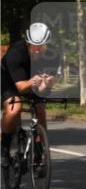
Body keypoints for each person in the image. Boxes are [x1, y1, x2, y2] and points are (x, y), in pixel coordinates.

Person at [2, 23, 54, 168]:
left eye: (41, 46)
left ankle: (39, 149)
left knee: (41, 109)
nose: (37, 50)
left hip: (33, 80)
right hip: (11, 81)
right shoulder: (16, 54)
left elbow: (46, 86)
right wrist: (31, 81)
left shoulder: (53, 55)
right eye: (33, 46)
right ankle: (4, 147)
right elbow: (21, 87)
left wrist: (46, 85)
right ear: (27, 43)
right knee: (14, 109)